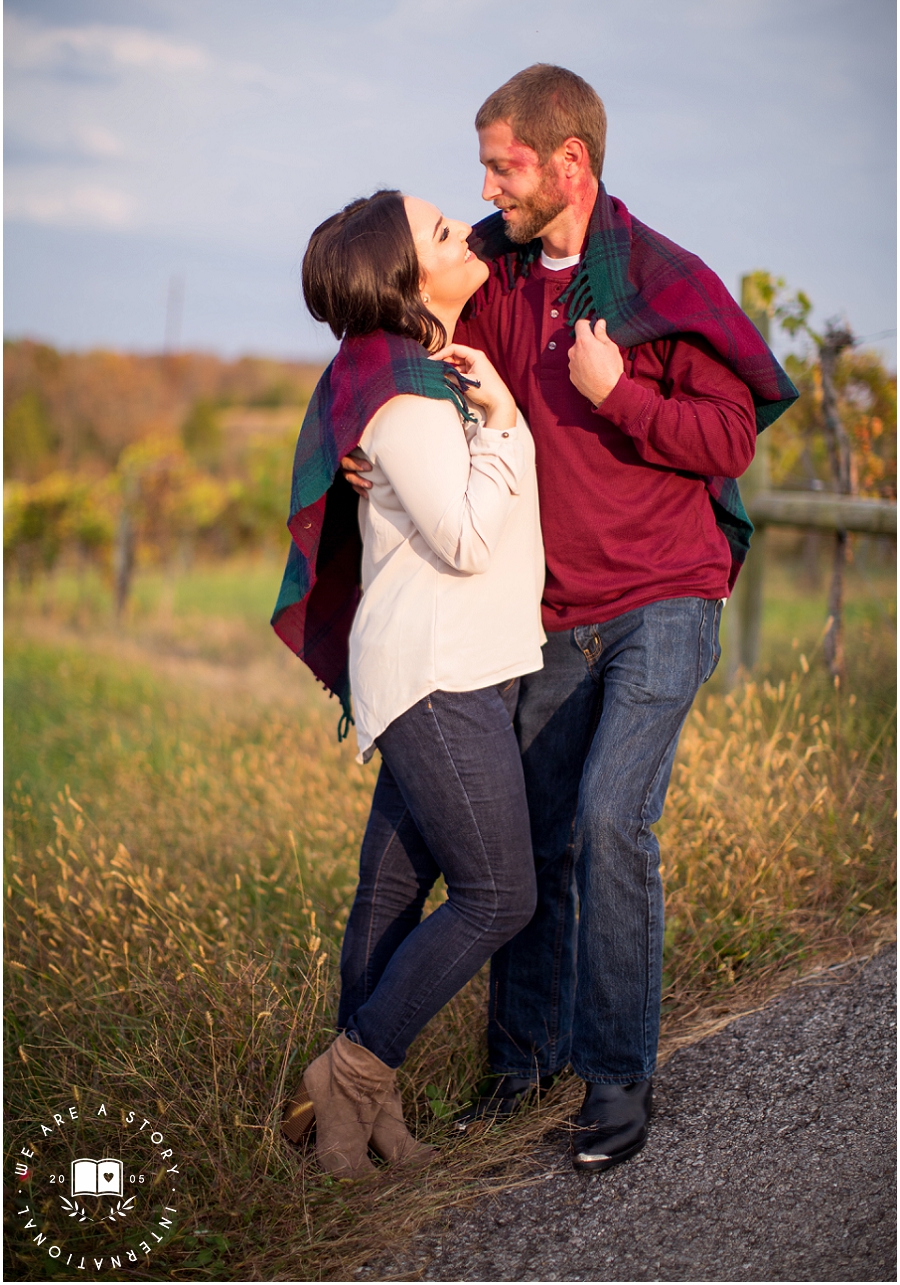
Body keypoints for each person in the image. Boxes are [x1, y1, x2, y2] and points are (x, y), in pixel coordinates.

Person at [342, 66, 798, 1173]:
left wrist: (618, 393)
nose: (487, 186)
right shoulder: (493, 280)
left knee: (607, 821)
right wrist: (371, 447)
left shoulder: (658, 280)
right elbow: (396, 333)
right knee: (532, 844)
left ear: (570, 164)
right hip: (548, 618)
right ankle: (522, 1067)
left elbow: (730, 441)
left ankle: (615, 1077)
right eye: (486, 166)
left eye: (503, 166)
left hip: (665, 600)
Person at [272, 189, 545, 1179]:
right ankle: (349, 1075)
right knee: (499, 893)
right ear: (406, 281)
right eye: (439, 233)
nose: (461, 233)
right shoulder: (403, 391)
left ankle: (362, 1131)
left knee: (388, 894)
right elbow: (470, 537)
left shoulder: (410, 375)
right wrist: (507, 423)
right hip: (440, 673)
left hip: (446, 665)